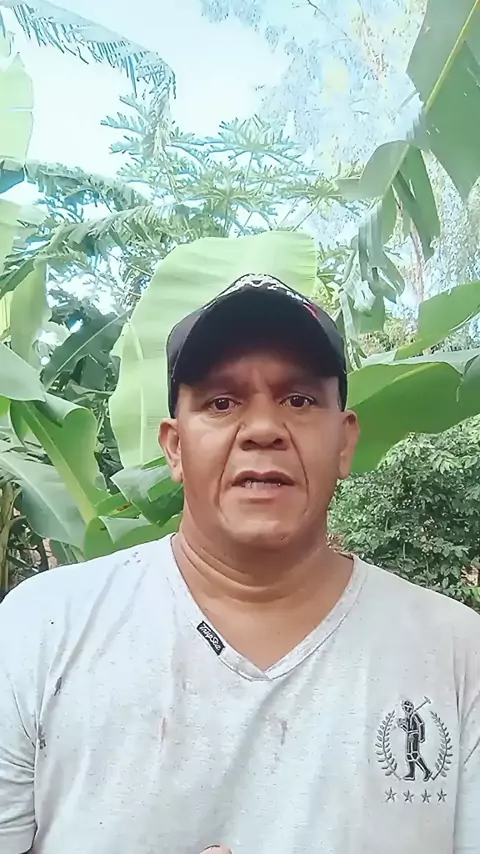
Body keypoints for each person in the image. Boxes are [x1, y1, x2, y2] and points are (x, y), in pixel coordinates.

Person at [0, 273, 479, 854]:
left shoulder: (457, 654)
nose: (263, 430)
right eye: (221, 403)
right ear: (175, 446)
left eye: (299, 400)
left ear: (345, 441)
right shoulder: (38, 631)